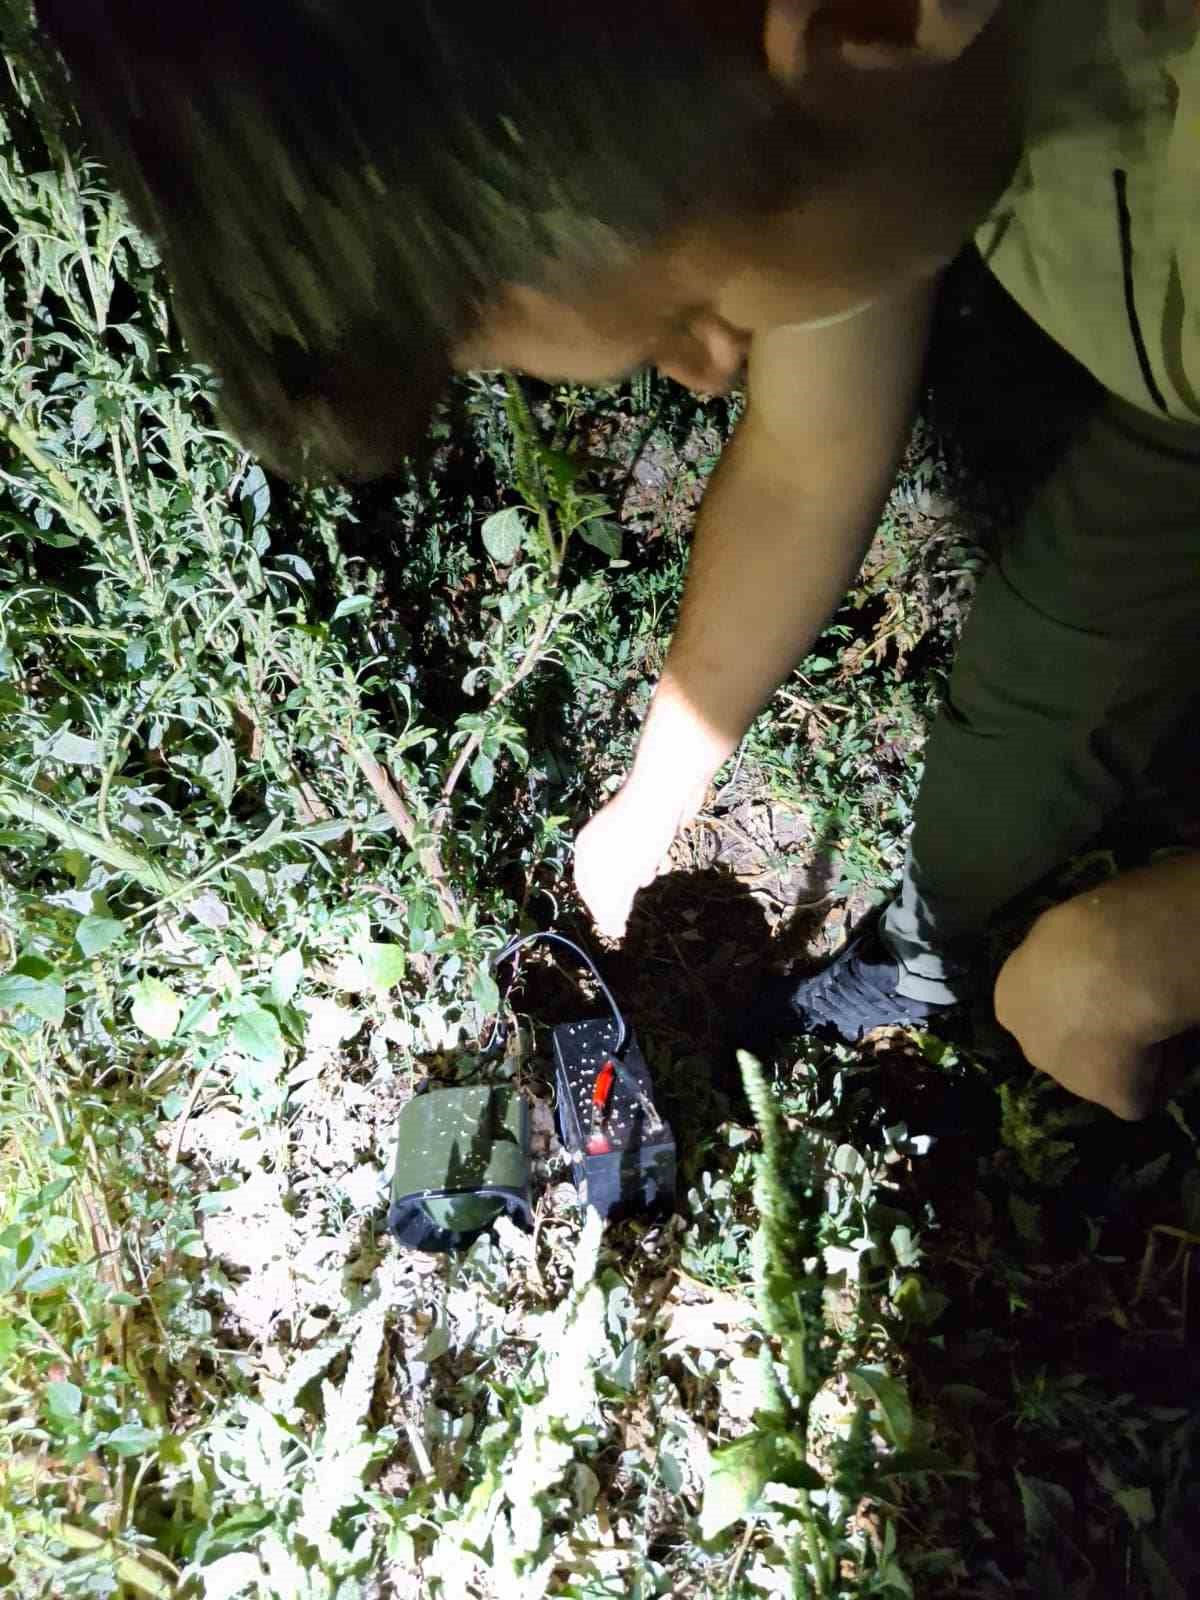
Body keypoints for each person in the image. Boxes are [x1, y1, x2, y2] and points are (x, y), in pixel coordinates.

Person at [38, 1, 1200, 1118]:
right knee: (1045, 654)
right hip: (1160, 373)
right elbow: (808, 460)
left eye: (689, 307)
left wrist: (1149, 947)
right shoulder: (861, 116)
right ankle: (931, 938)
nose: (707, 372)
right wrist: (651, 805)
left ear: (871, 19)